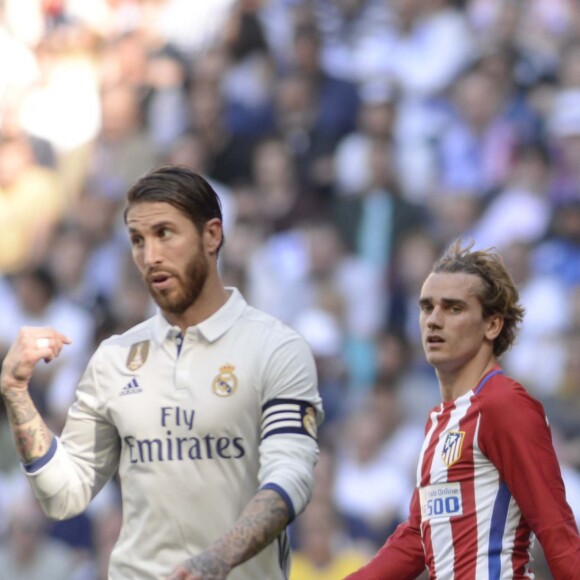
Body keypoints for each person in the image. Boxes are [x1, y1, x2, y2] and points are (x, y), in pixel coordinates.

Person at [0, 165, 324, 580]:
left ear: (212, 235)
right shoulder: (113, 357)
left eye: (165, 234)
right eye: (138, 240)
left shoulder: (276, 348)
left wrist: (218, 558)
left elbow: (292, 479)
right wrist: (16, 394)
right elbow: (64, 495)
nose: (150, 255)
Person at [346, 240, 580, 579]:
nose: (434, 321)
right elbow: (417, 537)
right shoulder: (439, 421)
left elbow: (556, 530)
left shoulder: (505, 405)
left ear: (492, 325)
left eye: (453, 308)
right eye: (426, 307)